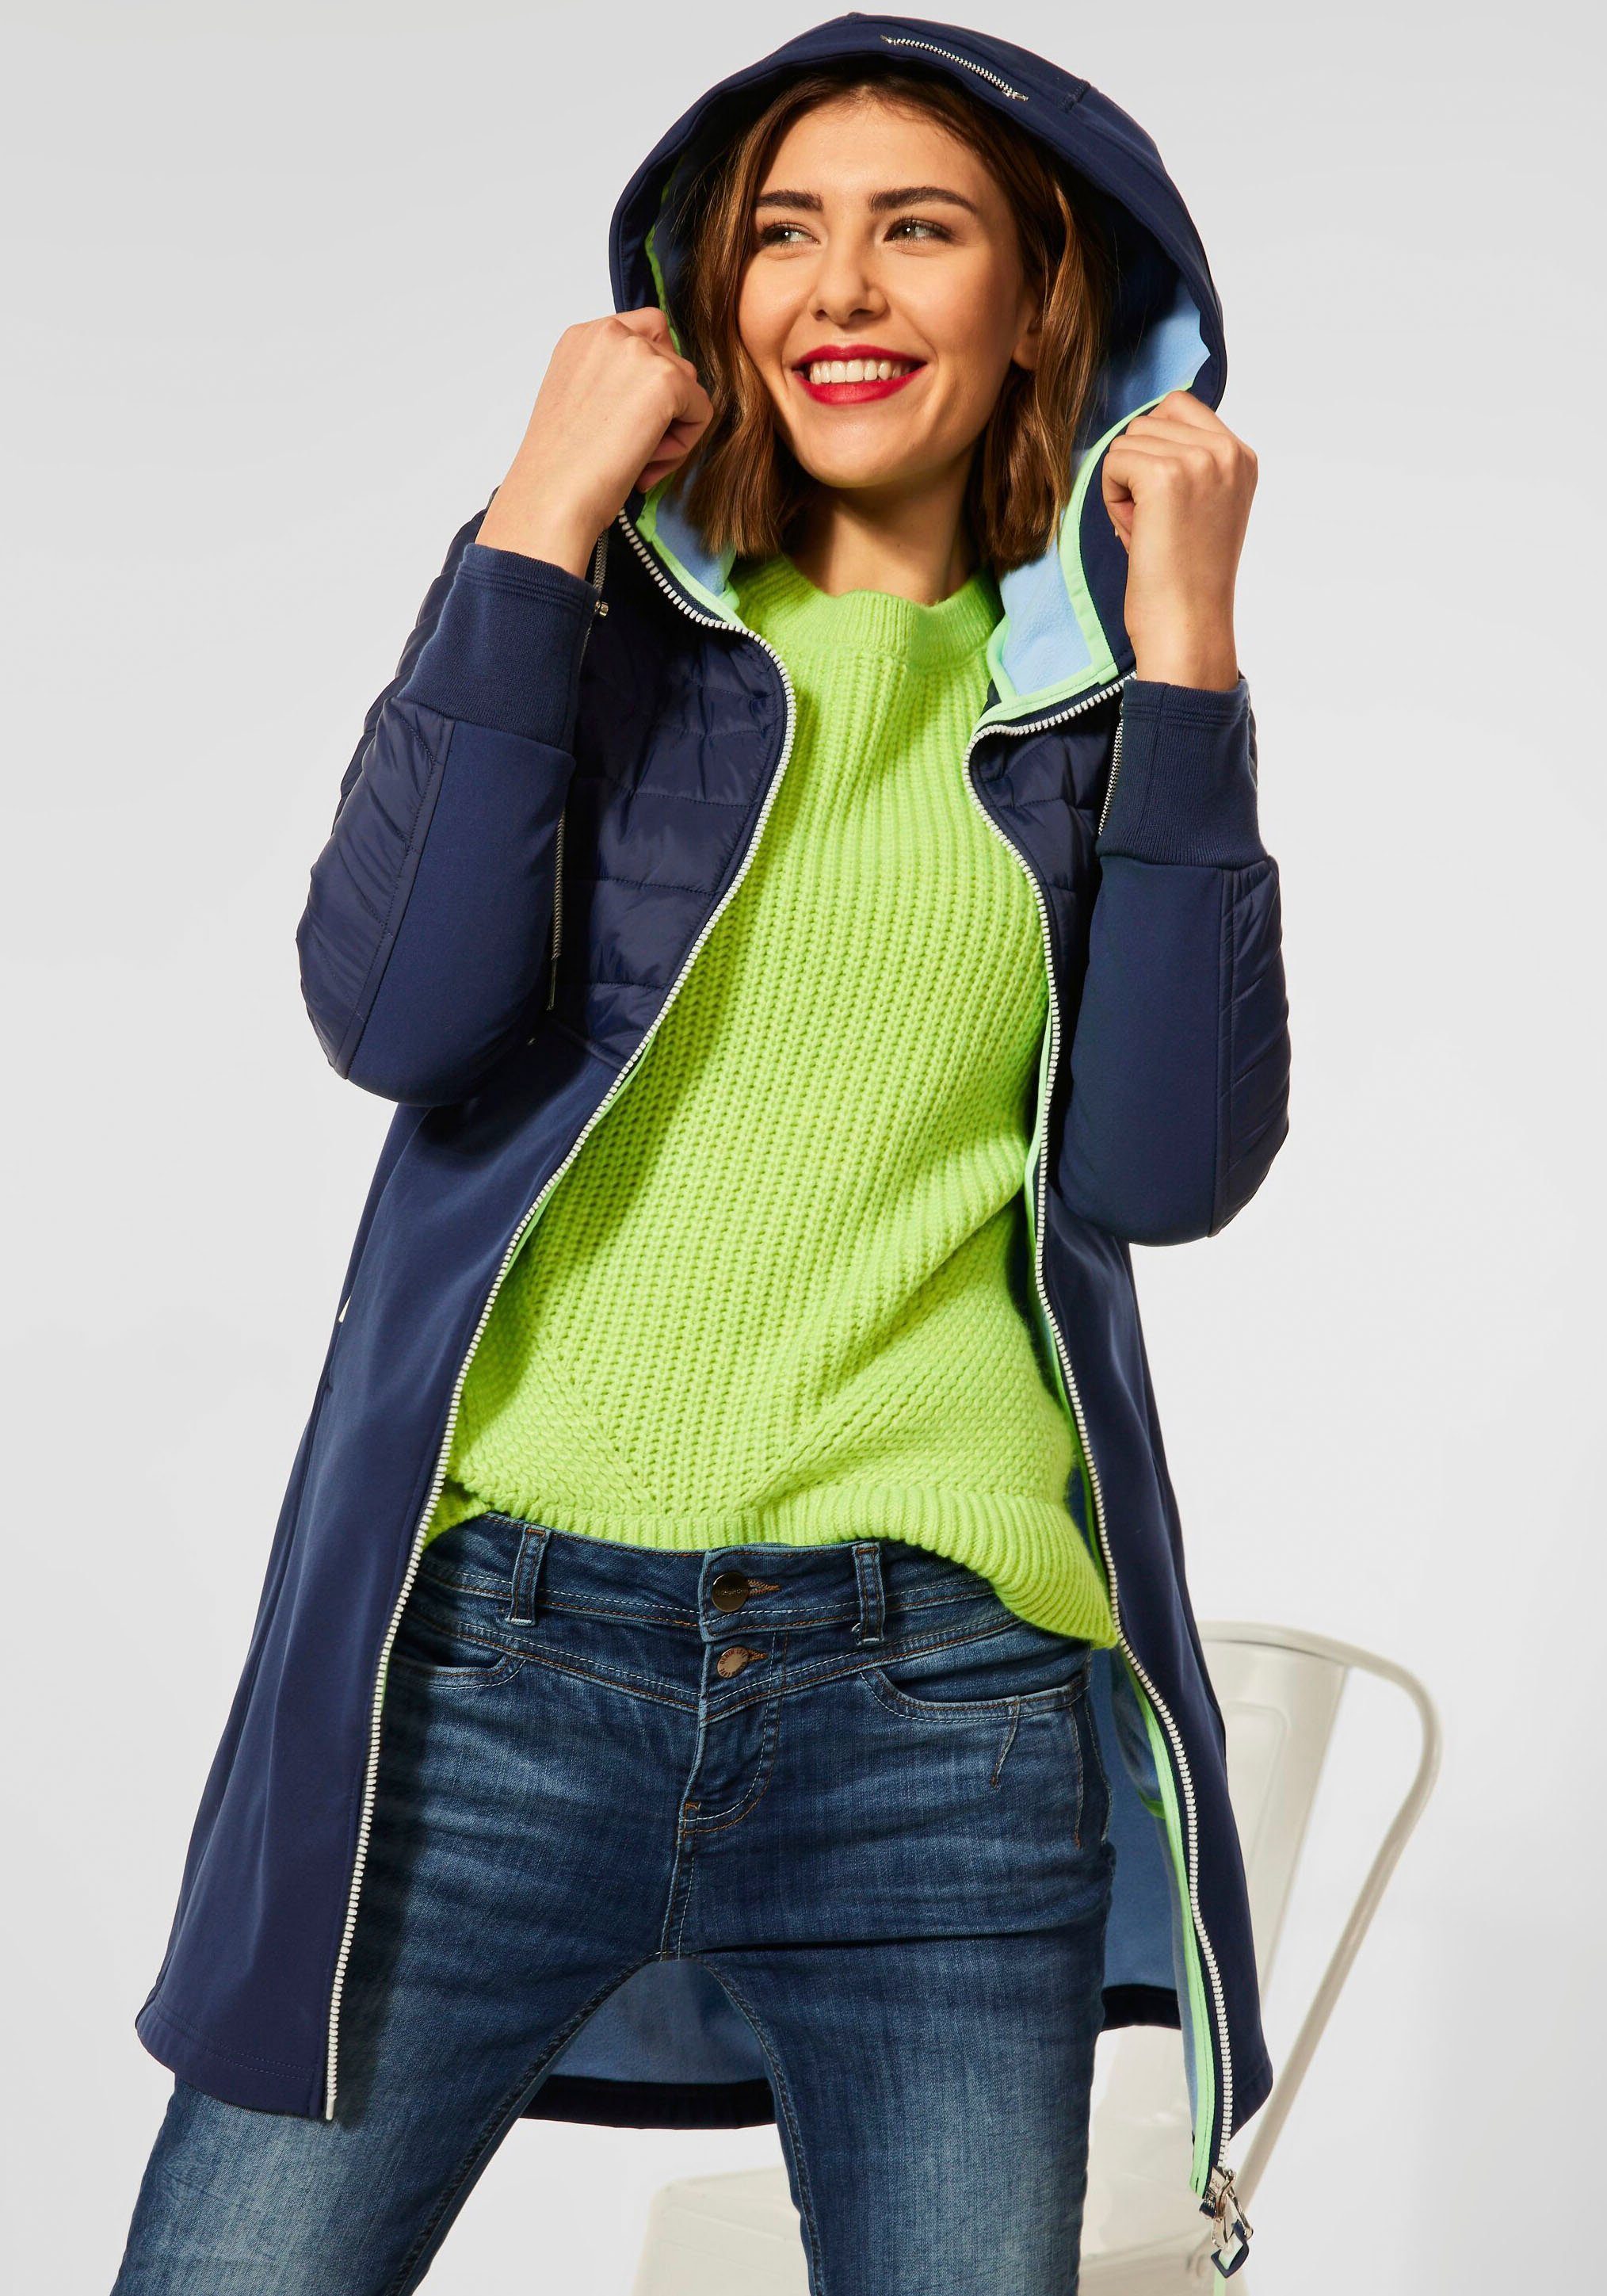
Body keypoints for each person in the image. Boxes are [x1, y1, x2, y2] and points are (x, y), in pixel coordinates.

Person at [113, 18, 1288, 2294]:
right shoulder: (583, 622)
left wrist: (1190, 665)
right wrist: (531, 525)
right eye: (781, 233)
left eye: (917, 230)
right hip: (489, 1671)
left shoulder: (1084, 708)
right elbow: (397, 1017)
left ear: (1042, 297)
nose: (840, 288)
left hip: (946, 1711)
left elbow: (1162, 1167)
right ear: (705, 291)